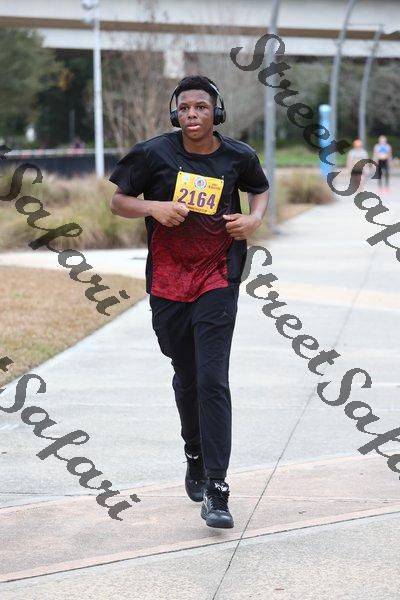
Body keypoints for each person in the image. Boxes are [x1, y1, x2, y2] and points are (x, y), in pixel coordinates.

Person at [108, 75, 269, 529]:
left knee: (213, 379)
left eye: (200, 106)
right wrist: (153, 208)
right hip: (168, 282)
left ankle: (217, 489)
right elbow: (118, 201)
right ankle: (194, 451)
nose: (192, 114)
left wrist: (254, 220)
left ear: (216, 111)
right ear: (175, 113)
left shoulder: (238, 155)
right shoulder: (153, 153)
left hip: (218, 277)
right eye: (184, 108)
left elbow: (259, 188)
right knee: (187, 376)